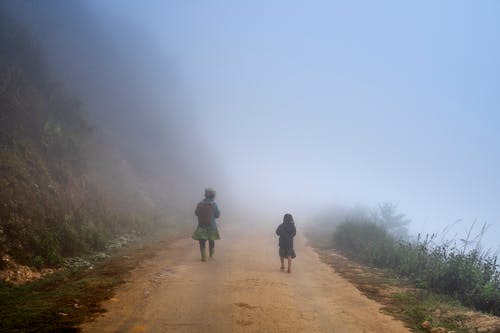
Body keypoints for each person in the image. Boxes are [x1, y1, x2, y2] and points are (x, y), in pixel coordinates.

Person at [192, 188, 220, 261]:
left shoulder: (200, 204)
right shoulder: (214, 204)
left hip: (201, 226)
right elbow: (217, 215)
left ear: (205, 194)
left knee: (202, 241)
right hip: (212, 226)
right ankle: (211, 255)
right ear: (213, 195)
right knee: (211, 240)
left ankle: (203, 257)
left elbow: (196, 213)